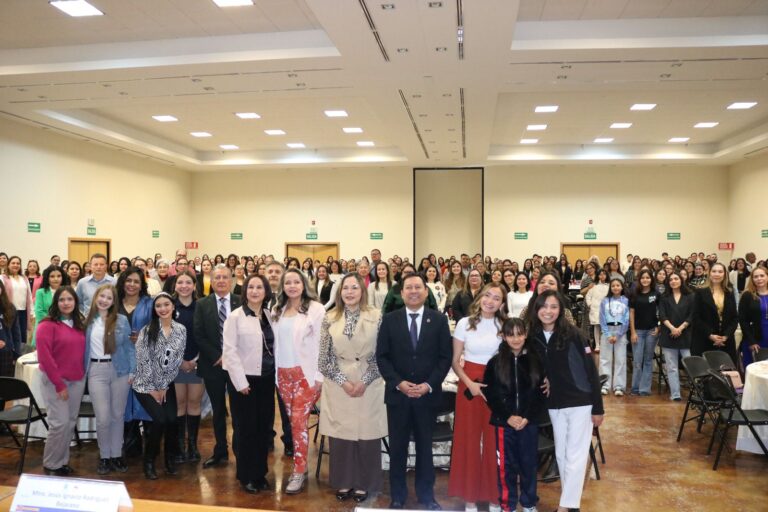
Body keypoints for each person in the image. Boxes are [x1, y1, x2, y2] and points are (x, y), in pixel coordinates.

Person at [376, 273, 452, 510]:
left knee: (424, 448)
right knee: (398, 448)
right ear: (401, 293)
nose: (413, 291)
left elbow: (445, 357)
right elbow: (382, 357)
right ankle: (397, 496)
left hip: (426, 397)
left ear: (426, 292)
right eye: (408, 287)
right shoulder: (390, 320)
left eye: (418, 287)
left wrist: (428, 385)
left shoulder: (438, 320)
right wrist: (398, 383)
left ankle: (426, 496)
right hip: (398, 396)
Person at [529, 290, 603, 512]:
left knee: (575, 456)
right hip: (554, 403)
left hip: (581, 402)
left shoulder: (574, 335)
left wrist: (598, 407)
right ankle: (571, 504)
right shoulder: (533, 337)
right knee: (561, 454)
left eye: (554, 306)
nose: (548, 311)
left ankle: (566, 506)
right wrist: (544, 378)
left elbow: (591, 371)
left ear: (561, 310)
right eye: (544, 306)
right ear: (536, 309)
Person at [318, 273, 386, 503]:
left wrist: (365, 380)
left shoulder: (377, 316)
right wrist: (344, 382)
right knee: (342, 435)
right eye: (345, 288)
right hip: (339, 383)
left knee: (367, 434)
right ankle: (344, 481)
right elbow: (323, 359)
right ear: (339, 292)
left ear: (362, 291)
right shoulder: (329, 317)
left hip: (370, 381)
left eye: (354, 287)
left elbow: (382, 354)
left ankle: (365, 483)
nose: (349, 292)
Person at [449, 283, 507, 511]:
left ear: (502, 304)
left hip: (497, 386)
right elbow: (455, 361)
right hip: (469, 386)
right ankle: (470, 497)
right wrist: (470, 384)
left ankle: (494, 497)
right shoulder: (464, 323)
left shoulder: (505, 325)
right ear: (480, 297)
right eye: (487, 295)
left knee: (495, 441)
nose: (490, 301)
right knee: (469, 440)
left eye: (496, 298)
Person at [484, 318, 545, 512]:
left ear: (525, 335)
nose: (516, 339)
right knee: (505, 467)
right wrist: (508, 417)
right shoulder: (495, 363)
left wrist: (527, 416)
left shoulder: (536, 361)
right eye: (511, 335)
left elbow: (540, 393)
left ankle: (529, 503)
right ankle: (507, 505)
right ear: (503, 336)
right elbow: (491, 395)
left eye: (519, 334)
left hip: (529, 423)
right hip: (505, 424)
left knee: (529, 465)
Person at [273, 268, 325, 494]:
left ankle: (299, 470)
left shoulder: (316, 309)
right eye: (288, 283)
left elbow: (323, 344)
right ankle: (300, 465)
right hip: (282, 375)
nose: (292, 286)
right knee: (293, 423)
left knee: (297, 422)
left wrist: (319, 376)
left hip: (306, 374)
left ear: (304, 284)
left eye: (296, 282)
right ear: (282, 286)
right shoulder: (277, 309)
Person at [223, 274, 276, 494]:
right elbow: (229, 352)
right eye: (251, 287)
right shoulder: (235, 317)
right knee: (246, 430)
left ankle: (260, 473)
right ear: (245, 291)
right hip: (244, 382)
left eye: (259, 287)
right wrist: (241, 382)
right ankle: (246, 475)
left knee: (263, 429)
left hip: (266, 380)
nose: (255, 291)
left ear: (266, 292)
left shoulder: (269, 315)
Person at [132, 293, 185, 479]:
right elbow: (143, 361)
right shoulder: (147, 330)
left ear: (173, 306)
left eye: (166, 304)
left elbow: (176, 361)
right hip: (144, 385)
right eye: (158, 306)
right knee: (160, 420)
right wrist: (153, 389)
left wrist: (163, 387)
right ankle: (149, 461)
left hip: (166, 384)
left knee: (172, 420)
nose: (163, 308)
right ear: (154, 310)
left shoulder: (181, 330)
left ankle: (170, 459)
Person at [84, 284, 135, 474]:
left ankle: (116, 455)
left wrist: (133, 370)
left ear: (114, 302)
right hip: (96, 370)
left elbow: (129, 347)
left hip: (120, 370)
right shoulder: (87, 321)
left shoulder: (121, 320)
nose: (104, 300)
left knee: (117, 415)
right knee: (103, 417)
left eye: (109, 298)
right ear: (96, 297)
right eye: (102, 296)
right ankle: (104, 456)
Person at [194, 264, 242, 468]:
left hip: (238, 366)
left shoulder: (241, 301)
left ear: (231, 280)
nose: (221, 281)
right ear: (211, 281)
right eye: (217, 278)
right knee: (218, 410)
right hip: (213, 365)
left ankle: (241, 452)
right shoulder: (201, 304)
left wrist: (231, 357)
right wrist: (219, 356)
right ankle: (220, 450)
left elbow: (247, 333)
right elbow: (198, 334)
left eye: (225, 277)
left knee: (238, 411)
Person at [36, 286, 87, 476]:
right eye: (62, 300)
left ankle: (61, 461)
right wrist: (59, 384)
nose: (66, 303)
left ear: (75, 302)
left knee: (70, 422)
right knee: (59, 423)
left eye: (70, 299)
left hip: (77, 380)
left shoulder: (79, 323)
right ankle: (51, 464)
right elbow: (45, 358)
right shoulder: (47, 325)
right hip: (55, 381)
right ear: (55, 303)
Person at [172, 271, 203, 463]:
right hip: (175, 365)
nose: (184, 286)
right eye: (180, 282)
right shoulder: (168, 306)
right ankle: (179, 446)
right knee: (179, 404)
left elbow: (206, 336)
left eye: (188, 282)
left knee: (194, 403)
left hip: (196, 363)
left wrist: (195, 361)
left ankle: (192, 445)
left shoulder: (202, 306)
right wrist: (179, 361)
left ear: (194, 285)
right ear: (175, 285)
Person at [691, 262, 738, 363]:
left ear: (725, 274)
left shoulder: (729, 292)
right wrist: (710, 335)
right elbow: (696, 317)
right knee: (706, 371)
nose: (717, 274)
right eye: (714, 271)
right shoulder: (700, 292)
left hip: (726, 341)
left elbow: (734, 317)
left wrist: (726, 336)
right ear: (709, 273)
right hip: (705, 339)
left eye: (720, 272)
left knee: (726, 370)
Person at [658, 271, 694, 401]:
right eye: (671, 279)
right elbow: (662, 315)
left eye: (676, 279)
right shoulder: (664, 297)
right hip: (669, 335)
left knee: (690, 365)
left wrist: (680, 328)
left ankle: (695, 393)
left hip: (685, 335)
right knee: (671, 367)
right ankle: (675, 394)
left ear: (681, 280)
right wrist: (673, 328)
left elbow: (692, 315)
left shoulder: (690, 296)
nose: (673, 281)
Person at [629, 269, 659, 396]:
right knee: (637, 361)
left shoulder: (656, 294)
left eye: (648, 277)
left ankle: (645, 389)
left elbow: (661, 311)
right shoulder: (634, 294)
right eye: (643, 278)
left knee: (648, 360)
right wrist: (633, 332)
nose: (645, 280)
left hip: (652, 331)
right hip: (638, 332)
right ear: (639, 280)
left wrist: (659, 326)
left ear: (651, 279)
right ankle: (635, 388)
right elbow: (631, 313)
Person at [599, 278, 629, 396]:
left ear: (622, 287)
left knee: (620, 360)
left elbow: (626, 319)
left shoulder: (626, 301)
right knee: (605, 359)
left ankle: (619, 386)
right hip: (607, 331)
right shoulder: (605, 301)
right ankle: (605, 385)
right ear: (610, 288)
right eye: (613, 286)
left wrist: (619, 334)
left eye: (618, 285)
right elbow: (602, 318)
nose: (616, 287)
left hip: (620, 332)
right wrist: (607, 334)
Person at [738, 266, 768, 368]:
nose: (759, 279)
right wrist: (751, 341)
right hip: (754, 338)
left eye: (762, 276)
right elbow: (743, 320)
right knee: (755, 368)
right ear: (752, 279)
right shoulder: (747, 295)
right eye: (756, 277)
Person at [1, 256, 33, 348]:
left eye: (18, 263)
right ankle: (11, 355)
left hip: (23, 312)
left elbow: (29, 296)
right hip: (8, 312)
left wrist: (31, 312)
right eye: (13, 263)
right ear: (8, 265)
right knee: (11, 336)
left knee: (22, 336)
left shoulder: (24, 278)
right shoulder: (3, 278)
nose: (16, 265)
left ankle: (20, 354)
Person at [0, 280, 19, 378]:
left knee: (6, 384)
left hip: (6, 354)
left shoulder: (10, 308)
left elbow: (16, 334)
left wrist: (17, 355)